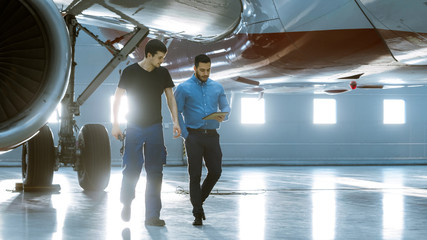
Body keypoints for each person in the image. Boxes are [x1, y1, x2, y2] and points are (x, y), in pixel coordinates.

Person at [112, 39, 181, 226]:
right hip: (133, 126)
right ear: (149, 55)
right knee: (131, 169)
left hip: (154, 127)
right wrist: (116, 124)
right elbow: (117, 99)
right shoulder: (130, 72)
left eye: (164, 58)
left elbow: (170, 98)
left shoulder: (163, 73)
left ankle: (152, 215)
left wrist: (175, 121)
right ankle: (126, 202)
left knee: (155, 172)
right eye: (159, 57)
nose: (162, 61)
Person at [174, 54, 231, 225]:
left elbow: (226, 107)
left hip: (212, 136)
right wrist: (186, 135)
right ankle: (197, 213)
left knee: (216, 171)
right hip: (194, 136)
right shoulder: (183, 88)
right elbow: (176, 112)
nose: (206, 73)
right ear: (195, 68)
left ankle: (198, 201)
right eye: (202, 70)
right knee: (195, 175)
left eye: (208, 70)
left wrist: (224, 115)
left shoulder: (217, 87)